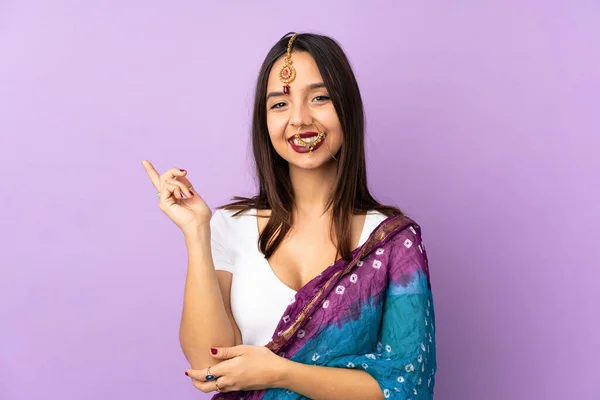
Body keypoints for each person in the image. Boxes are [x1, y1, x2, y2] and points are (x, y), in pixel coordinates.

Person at [142, 32, 437, 400]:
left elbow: (407, 387)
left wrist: (282, 372)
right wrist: (196, 231)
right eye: (279, 104)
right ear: (264, 121)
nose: (299, 119)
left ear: (347, 107)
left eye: (320, 97)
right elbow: (209, 368)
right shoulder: (229, 226)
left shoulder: (392, 241)